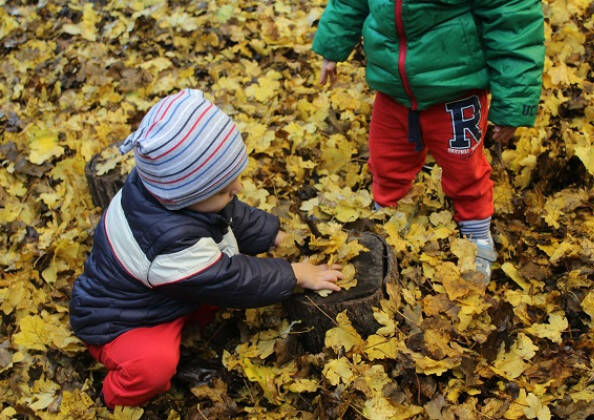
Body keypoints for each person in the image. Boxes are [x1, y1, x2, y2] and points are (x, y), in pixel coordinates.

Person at [70, 88, 343, 408]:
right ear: (184, 196)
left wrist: (275, 237)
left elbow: (232, 214)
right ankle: (111, 400)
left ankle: (189, 323)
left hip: (162, 296)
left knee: (215, 285)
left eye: (233, 181)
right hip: (121, 322)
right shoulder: (165, 241)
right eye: (225, 189)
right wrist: (293, 273)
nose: (238, 189)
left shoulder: (167, 191)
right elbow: (230, 279)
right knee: (153, 367)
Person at [312, 0, 545, 283]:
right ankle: (385, 216)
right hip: (393, 88)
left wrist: (514, 102)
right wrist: (331, 49)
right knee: (386, 158)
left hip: (456, 90)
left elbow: (513, 21)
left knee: (464, 167)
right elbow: (349, 3)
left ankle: (476, 229)